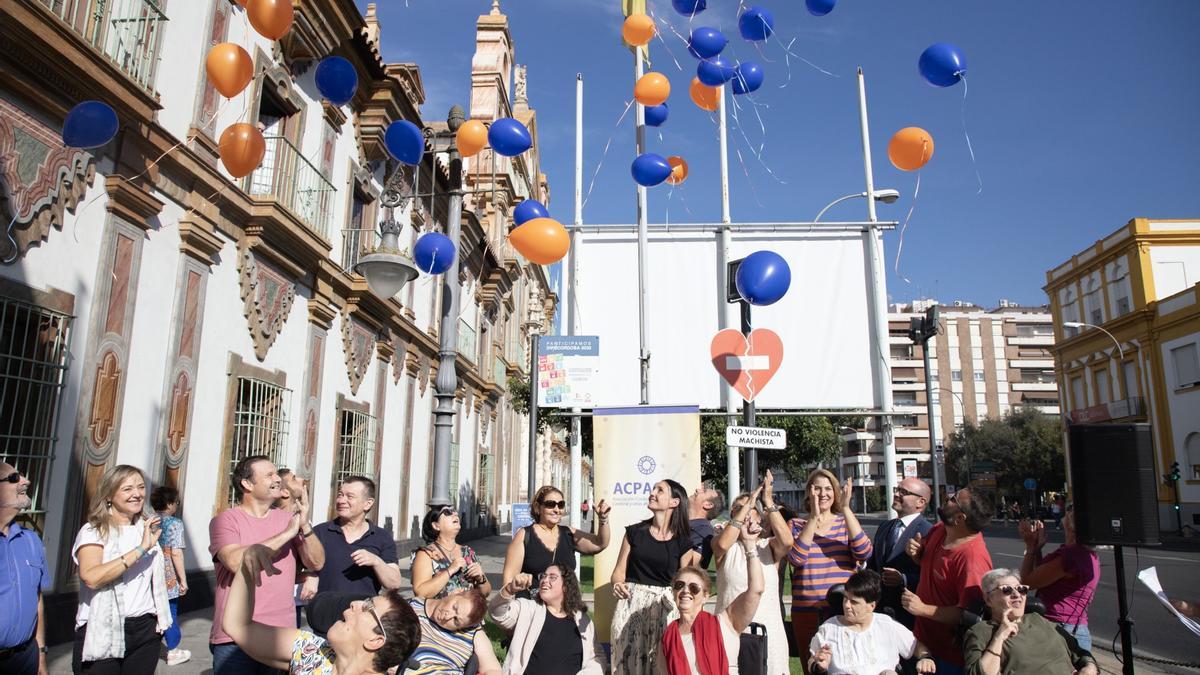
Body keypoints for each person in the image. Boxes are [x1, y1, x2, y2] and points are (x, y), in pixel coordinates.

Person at [221, 543, 422, 674]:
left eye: (368, 607)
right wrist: (247, 565)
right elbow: (237, 627)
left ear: (376, 640)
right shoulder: (313, 651)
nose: (355, 603)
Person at [209, 455, 325, 674]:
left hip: (280, 633)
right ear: (247, 484)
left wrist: (305, 526)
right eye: (269, 475)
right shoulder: (226, 520)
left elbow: (316, 562)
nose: (277, 479)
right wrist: (287, 534)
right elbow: (236, 562)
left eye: (276, 474)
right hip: (235, 634)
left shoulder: (286, 519)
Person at [72, 465, 172, 674]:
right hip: (102, 628)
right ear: (109, 494)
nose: (137, 494)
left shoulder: (145, 527)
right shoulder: (93, 531)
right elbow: (91, 578)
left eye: (141, 487)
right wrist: (141, 549)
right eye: (127, 489)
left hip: (145, 630)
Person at [610, 479, 700, 675]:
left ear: (674, 502)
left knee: (661, 666)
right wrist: (617, 584)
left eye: (660, 490)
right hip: (630, 604)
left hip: (666, 608)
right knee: (626, 665)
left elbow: (684, 582)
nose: (652, 493)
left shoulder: (684, 543)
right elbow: (618, 572)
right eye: (653, 489)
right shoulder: (634, 533)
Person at [902, 487, 995, 675]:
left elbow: (969, 615)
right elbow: (926, 561)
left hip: (949, 658)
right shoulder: (941, 529)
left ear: (960, 518)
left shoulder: (973, 559)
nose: (947, 499)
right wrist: (916, 553)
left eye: (953, 499)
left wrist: (922, 609)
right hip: (922, 643)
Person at [787, 469, 873, 673]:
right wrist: (813, 520)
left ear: (835, 493)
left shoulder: (845, 523)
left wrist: (846, 509)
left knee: (845, 666)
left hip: (841, 609)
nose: (823, 493)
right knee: (812, 668)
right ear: (809, 492)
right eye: (817, 488)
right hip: (805, 609)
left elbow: (864, 552)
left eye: (828, 489)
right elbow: (797, 558)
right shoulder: (797, 525)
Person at [656, 519, 765, 675]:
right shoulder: (668, 637)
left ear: (705, 596)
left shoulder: (726, 622)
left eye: (694, 588)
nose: (686, 591)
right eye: (680, 585)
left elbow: (756, 590)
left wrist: (750, 546)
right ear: (674, 592)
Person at [711, 471, 793, 675]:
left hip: (767, 632)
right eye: (737, 509)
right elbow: (721, 543)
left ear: (760, 515)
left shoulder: (768, 547)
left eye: (750, 508)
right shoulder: (725, 546)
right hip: (731, 632)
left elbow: (787, 541)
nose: (744, 512)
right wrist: (747, 505)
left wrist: (767, 501)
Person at [963, 569, 1098, 675]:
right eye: (1007, 590)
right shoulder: (982, 631)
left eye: (1021, 589)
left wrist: (1089, 668)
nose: (1017, 595)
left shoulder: (1038, 619)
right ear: (988, 600)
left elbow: (1082, 654)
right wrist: (1000, 636)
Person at [808, 570, 936, 675]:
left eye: (854, 602)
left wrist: (926, 658)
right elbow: (812, 661)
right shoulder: (829, 629)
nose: (847, 605)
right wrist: (818, 666)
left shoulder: (886, 625)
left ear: (871, 606)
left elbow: (916, 647)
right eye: (845, 598)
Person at [488, 564, 607, 674]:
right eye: (543, 576)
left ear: (566, 586)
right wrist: (509, 589)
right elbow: (497, 613)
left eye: (552, 577)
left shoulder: (582, 621)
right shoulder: (528, 609)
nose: (544, 580)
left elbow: (597, 657)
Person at [1018, 505, 1099, 651]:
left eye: (1070, 510)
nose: (1066, 512)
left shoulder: (1071, 555)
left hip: (1060, 631)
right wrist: (1037, 549)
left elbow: (1026, 583)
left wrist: (1030, 547)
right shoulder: (1084, 553)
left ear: (1072, 523)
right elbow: (1042, 577)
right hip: (1073, 628)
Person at [502, 485, 610, 593]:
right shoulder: (524, 535)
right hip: (533, 605)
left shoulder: (568, 533)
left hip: (564, 606)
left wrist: (603, 519)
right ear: (537, 507)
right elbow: (509, 581)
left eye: (561, 505)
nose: (556, 509)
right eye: (550, 504)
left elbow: (599, 543)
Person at [307, 477, 401, 597]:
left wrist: (376, 561)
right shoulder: (320, 532)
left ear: (368, 503)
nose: (341, 500)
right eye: (340, 495)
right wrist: (310, 576)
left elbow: (394, 583)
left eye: (349, 496)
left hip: (363, 612)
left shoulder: (382, 537)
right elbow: (301, 566)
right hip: (325, 609)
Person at [0, 462, 49, 675]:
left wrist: (41, 655)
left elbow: (37, 599)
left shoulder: (31, 541)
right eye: (14, 478)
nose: (26, 481)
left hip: (26, 659)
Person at [868, 477, 935, 629]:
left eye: (903, 492)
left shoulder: (929, 532)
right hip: (880, 613)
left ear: (921, 502)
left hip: (909, 617)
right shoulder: (885, 527)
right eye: (897, 490)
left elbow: (933, 575)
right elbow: (873, 566)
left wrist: (903, 579)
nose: (897, 494)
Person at [409, 587, 503, 674]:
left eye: (456, 621)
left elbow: (493, 669)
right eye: (454, 607)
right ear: (456, 592)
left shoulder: (472, 634)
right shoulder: (412, 607)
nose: (447, 616)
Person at [411, 506, 492, 599]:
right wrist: (451, 570)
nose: (455, 514)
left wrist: (481, 579)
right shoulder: (426, 554)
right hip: (441, 612)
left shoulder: (467, 552)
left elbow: (486, 592)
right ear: (436, 525)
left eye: (455, 511)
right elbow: (420, 592)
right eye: (447, 512)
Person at [151, 485, 191, 666]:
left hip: (148, 568)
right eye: (176, 502)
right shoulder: (174, 523)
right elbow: (176, 552)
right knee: (170, 610)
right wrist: (183, 579)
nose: (177, 505)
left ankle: (151, 645)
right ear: (169, 504)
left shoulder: (148, 520)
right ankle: (173, 649)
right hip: (166, 570)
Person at [275, 469, 314, 624]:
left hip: (293, 602)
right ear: (284, 492)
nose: (301, 478)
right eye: (293, 478)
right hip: (270, 601)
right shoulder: (272, 521)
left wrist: (312, 575)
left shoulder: (303, 521)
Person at [687, 480, 725, 569]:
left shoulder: (705, 532)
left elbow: (690, 565)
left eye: (703, 491)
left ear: (708, 504)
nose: (697, 490)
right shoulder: (681, 522)